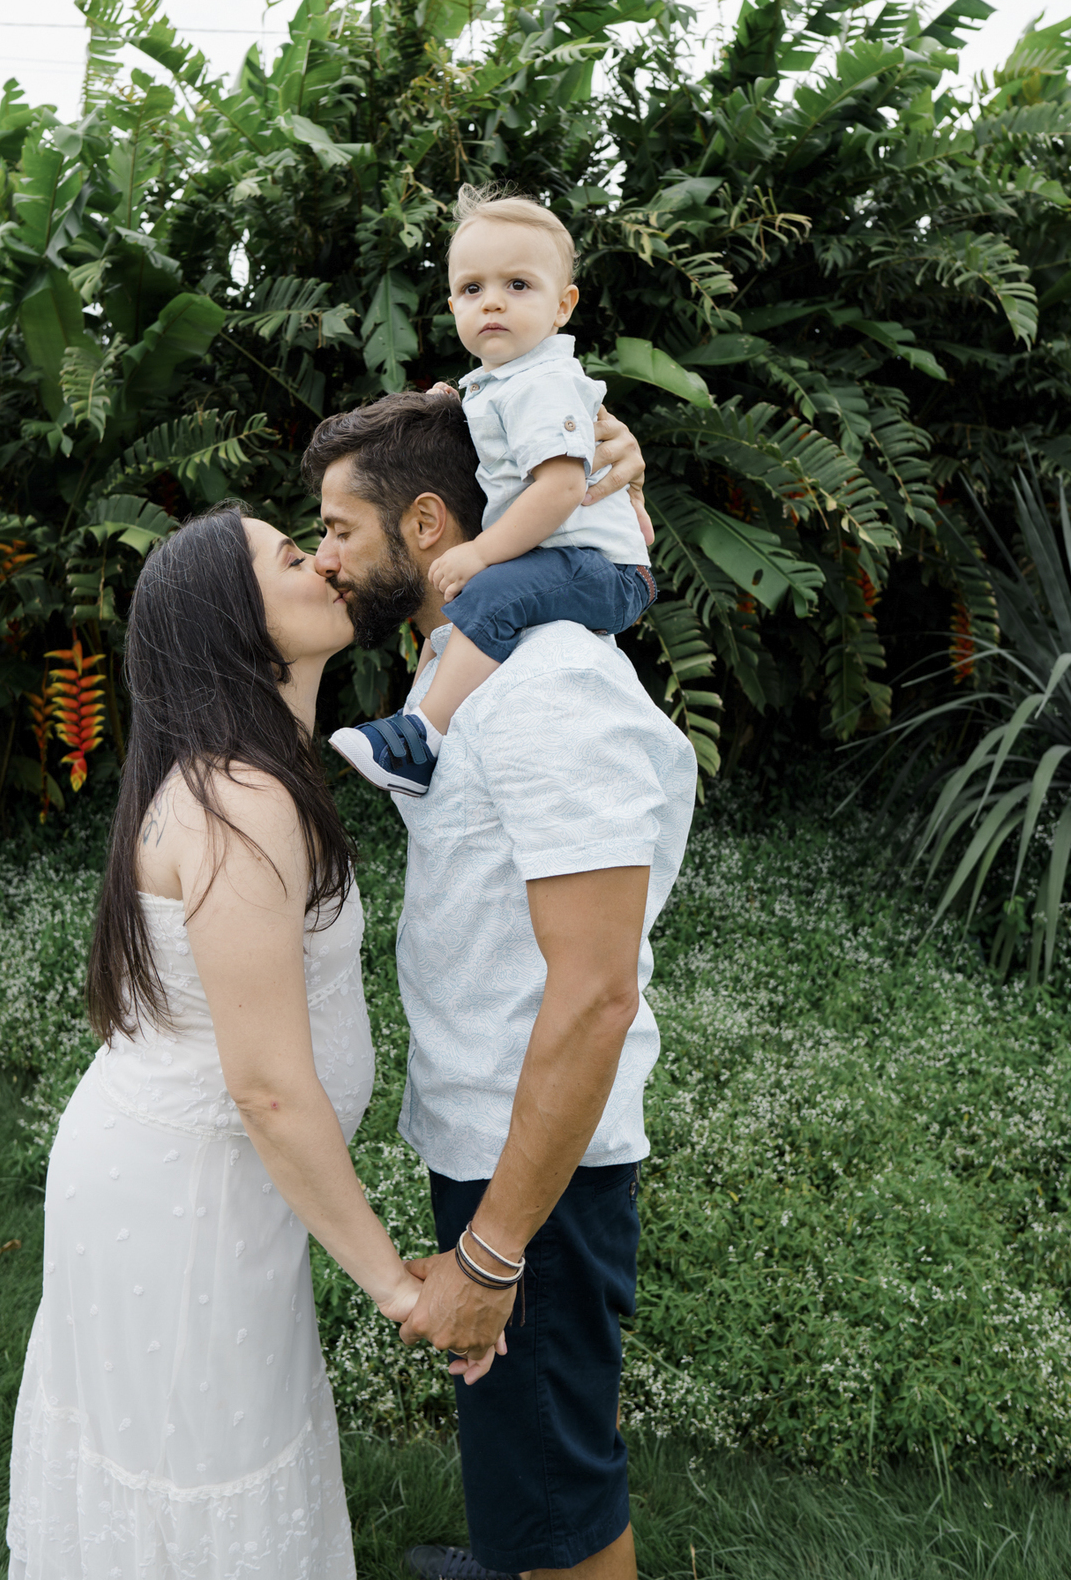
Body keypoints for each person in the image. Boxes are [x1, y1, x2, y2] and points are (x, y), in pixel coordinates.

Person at [6, 504, 498, 1580]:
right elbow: (268, 1086)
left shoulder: (250, 769)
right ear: (239, 622)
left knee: (187, 1468)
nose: (325, 560)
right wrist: (399, 1288)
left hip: (197, 1184)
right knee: (200, 1475)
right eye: (291, 556)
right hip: (187, 1205)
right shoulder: (238, 798)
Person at [304, 394, 697, 1580]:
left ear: (427, 526)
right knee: (521, 1439)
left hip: (542, 1166)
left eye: (338, 530)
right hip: (491, 1126)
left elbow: (596, 995)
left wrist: (491, 1253)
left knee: (561, 1483)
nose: (325, 559)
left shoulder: (552, 687)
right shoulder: (465, 658)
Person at [330, 185, 656, 798]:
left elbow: (560, 487)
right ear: (453, 303)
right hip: (581, 558)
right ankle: (425, 716)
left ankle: (422, 736)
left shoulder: (543, 382)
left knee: (492, 591)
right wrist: (449, 407)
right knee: (481, 601)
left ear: (563, 306)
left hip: (605, 571)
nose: (493, 302)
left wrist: (480, 552)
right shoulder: (501, 382)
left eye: (518, 285)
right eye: (473, 288)